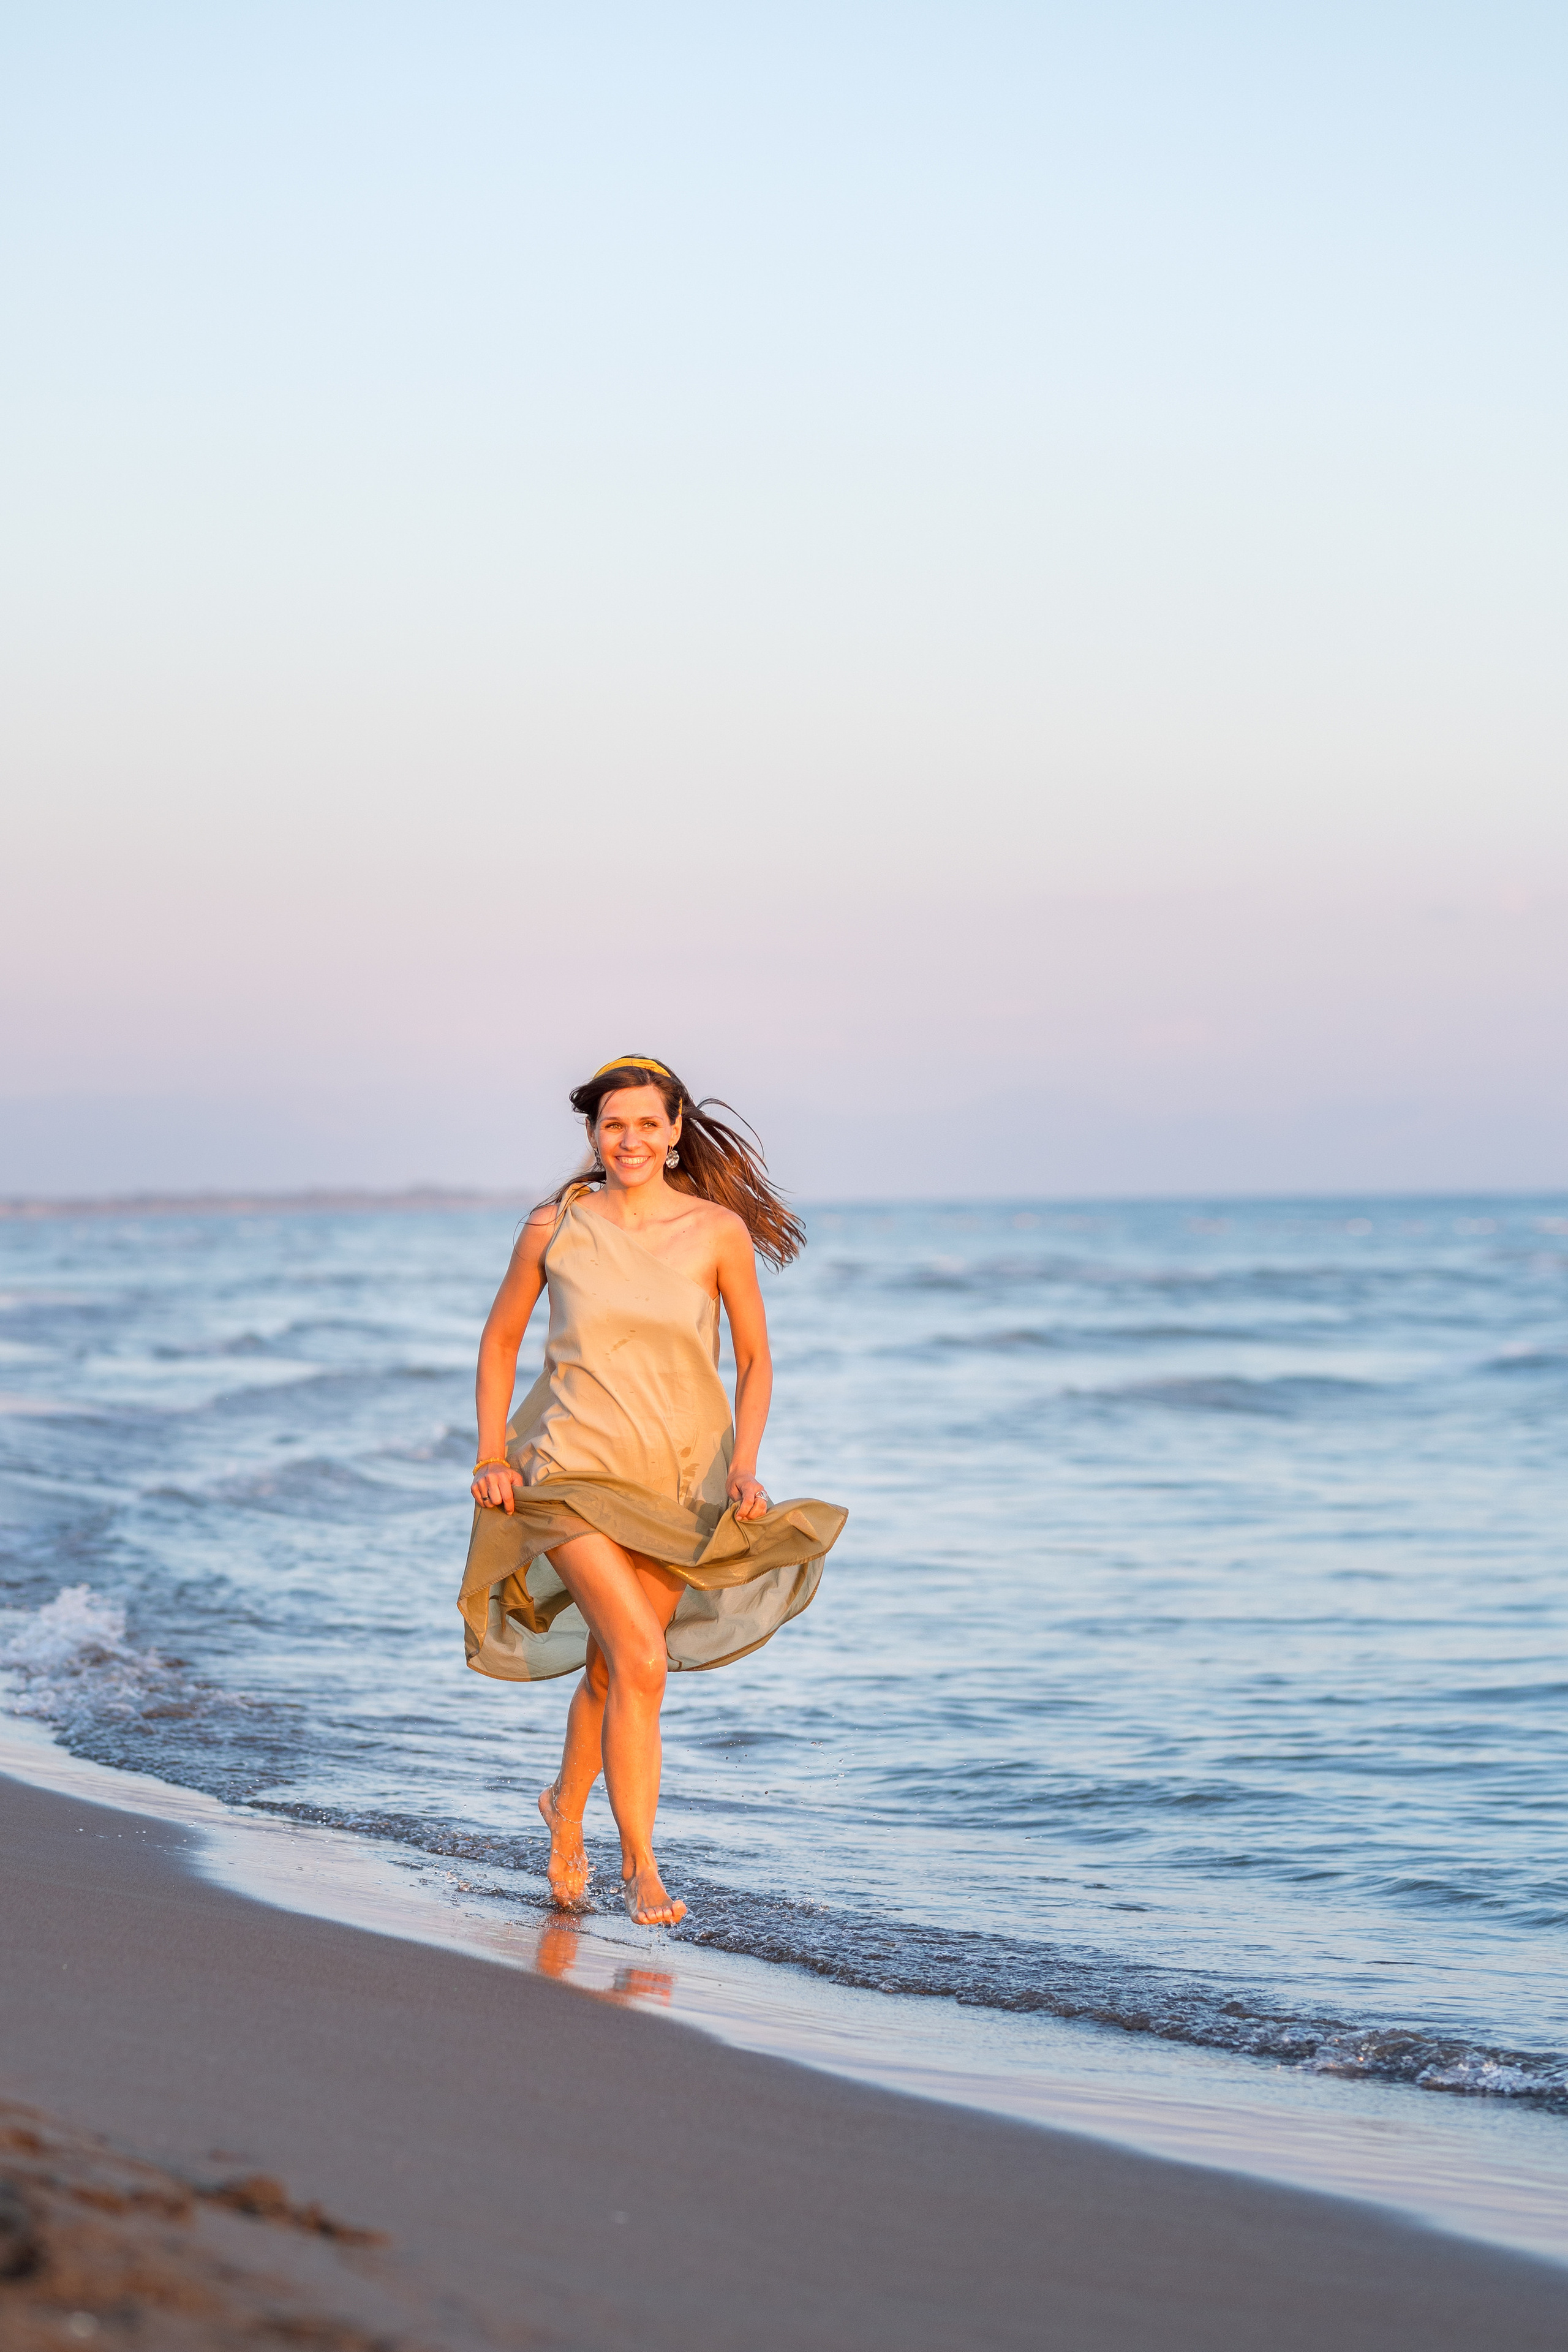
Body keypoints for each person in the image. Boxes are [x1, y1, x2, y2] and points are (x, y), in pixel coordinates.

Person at [459, 1057, 846, 1927]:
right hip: (566, 1474)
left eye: (645, 1124)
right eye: (612, 1125)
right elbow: (499, 1343)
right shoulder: (554, 1225)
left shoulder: (716, 1233)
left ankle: (564, 1809)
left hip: (682, 1482)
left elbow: (753, 1360)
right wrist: (492, 1454)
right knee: (640, 1657)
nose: (628, 1139)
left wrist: (744, 1465)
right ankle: (642, 1867)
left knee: (611, 1668)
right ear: (593, 1135)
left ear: (675, 1134)